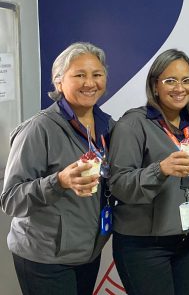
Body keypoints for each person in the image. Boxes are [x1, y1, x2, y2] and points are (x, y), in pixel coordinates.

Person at [1, 42, 114, 295]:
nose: (90, 83)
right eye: (80, 75)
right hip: (45, 257)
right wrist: (59, 181)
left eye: (97, 74)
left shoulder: (108, 126)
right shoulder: (38, 129)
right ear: (59, 82)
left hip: (87, 253)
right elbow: (10, 199)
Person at [109, 49, 189, 295]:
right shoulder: (132, 124)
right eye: (170, 80)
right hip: (145, 246)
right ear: (155, 85)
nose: (180, 88)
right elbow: (119, 184)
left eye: (186, 80)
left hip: (187, 242)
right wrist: (160, 170)